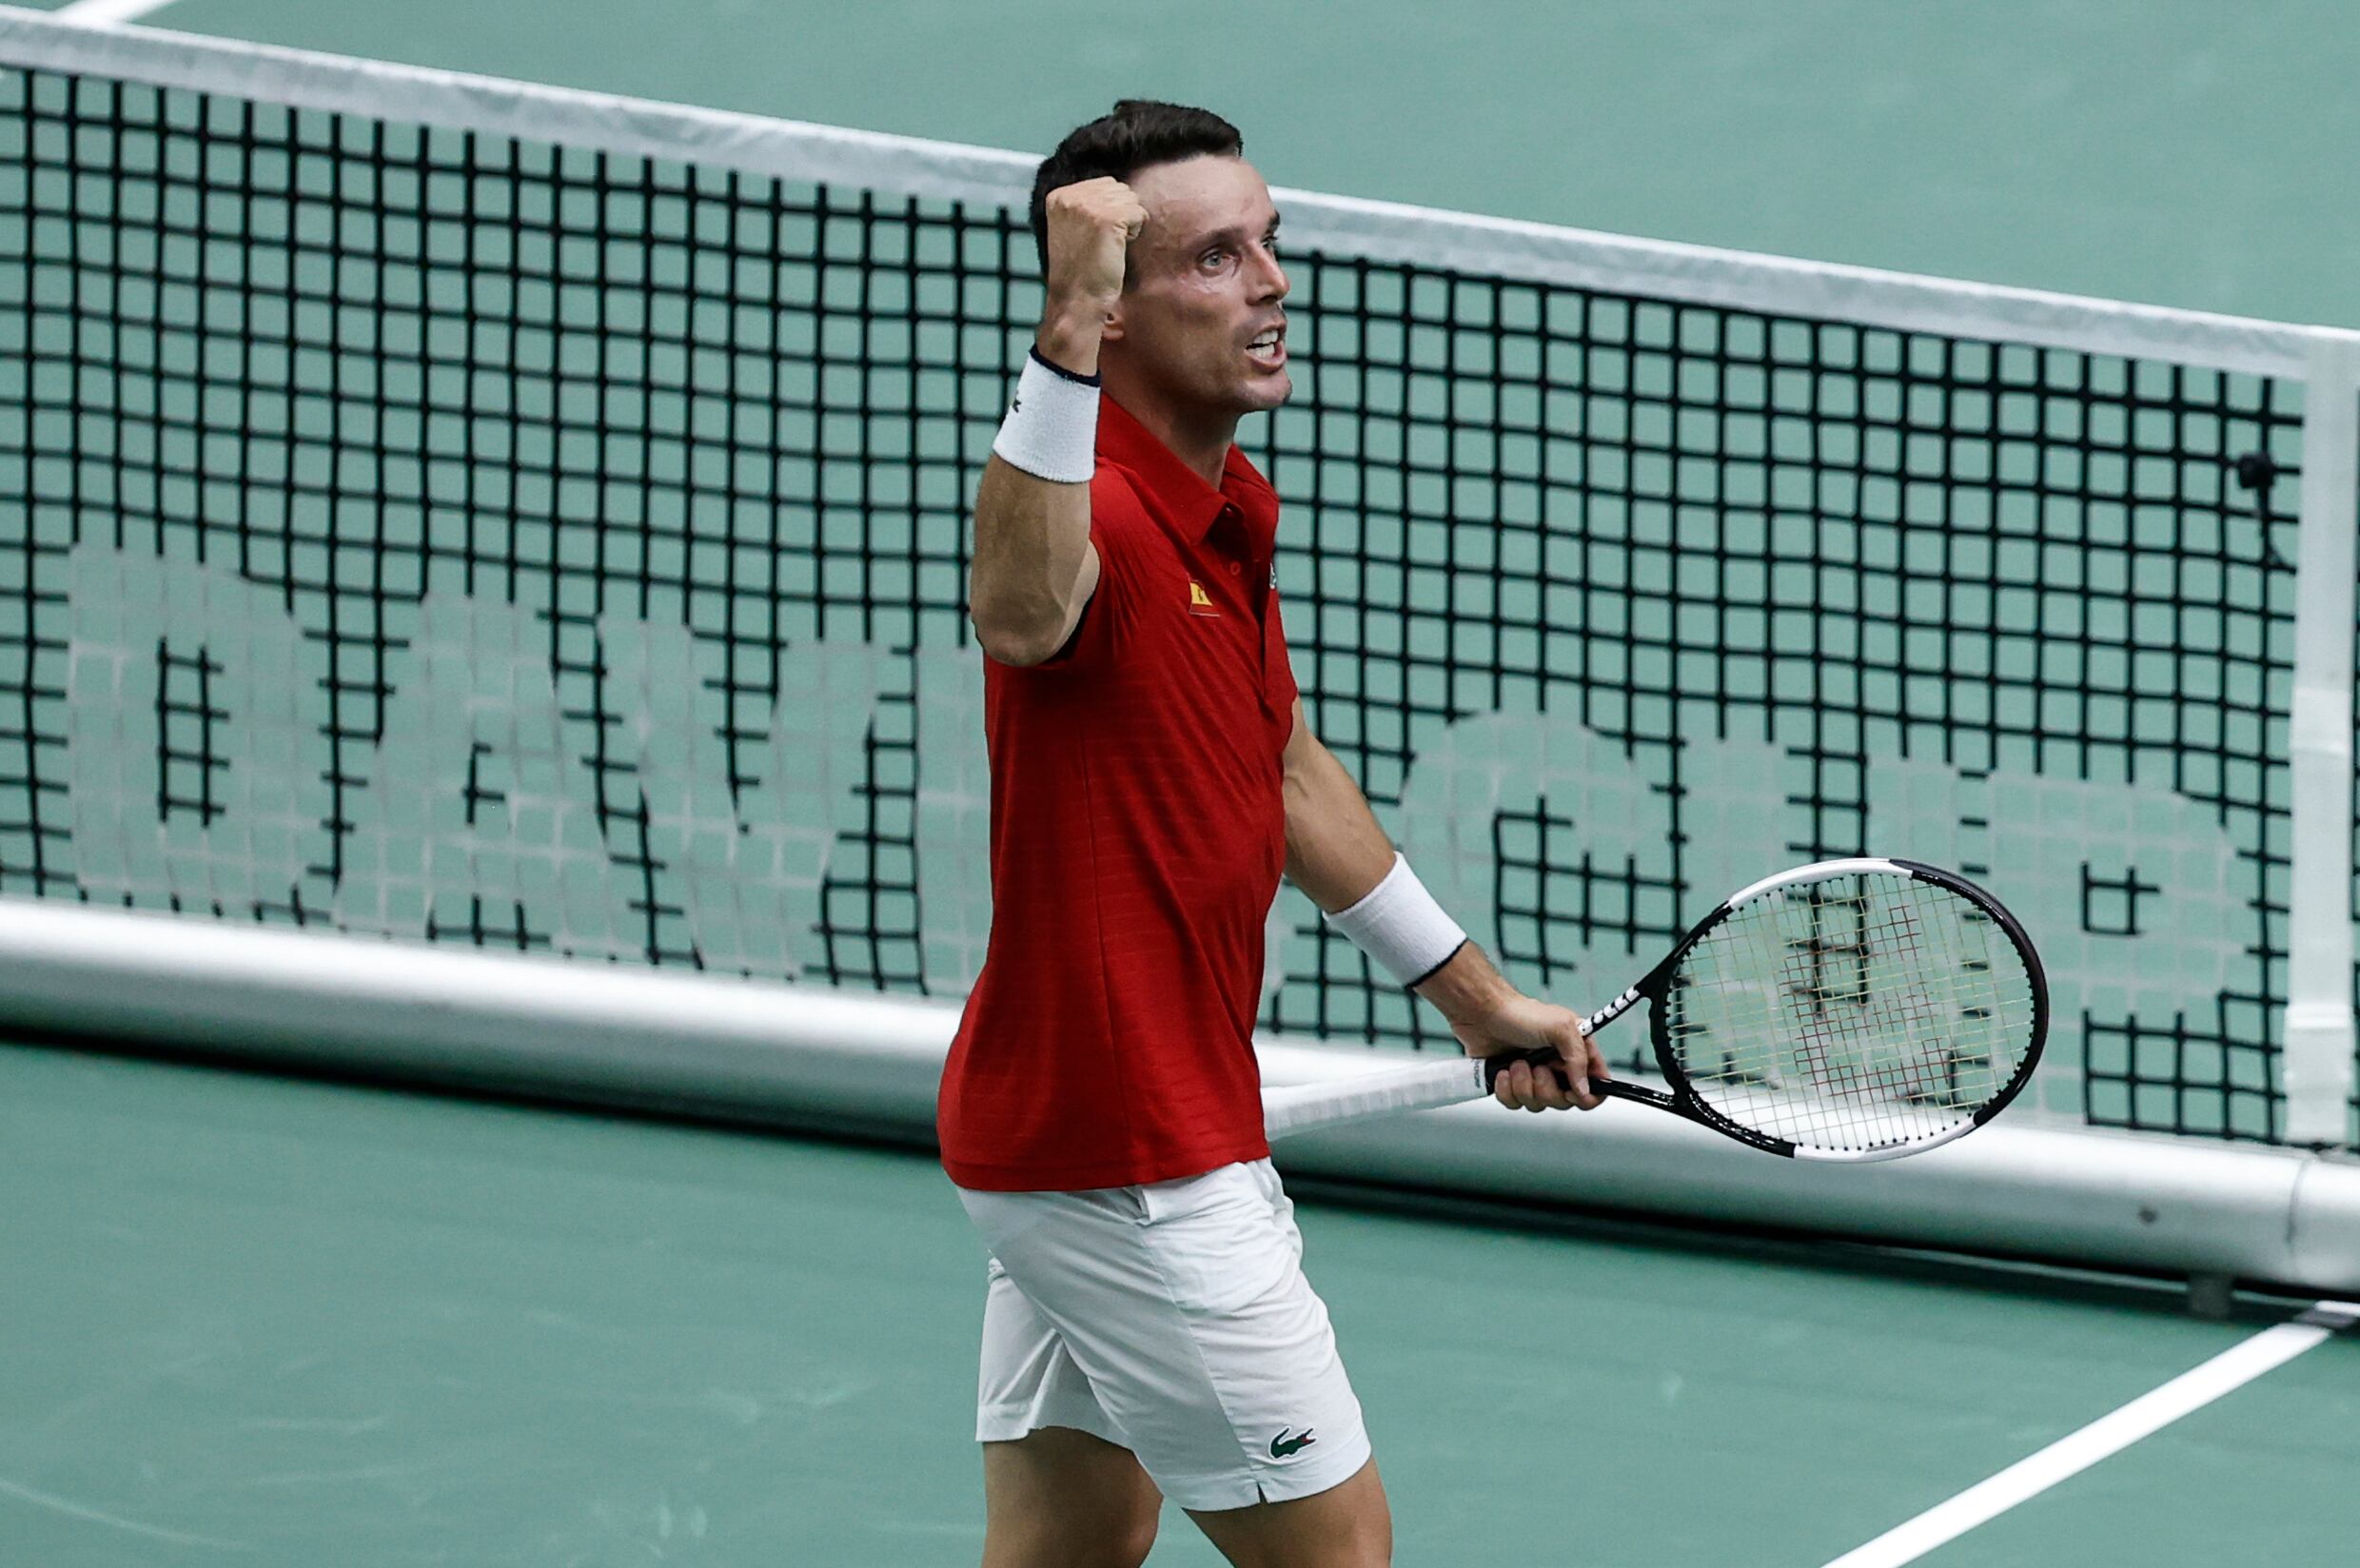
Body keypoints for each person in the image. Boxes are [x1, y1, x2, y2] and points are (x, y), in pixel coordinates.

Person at [938, 100, 1608, 1568]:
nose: (1272, 283)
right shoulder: (1096, 513)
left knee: (1068, 1548)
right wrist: (1062, 325)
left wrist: (1475, 997)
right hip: (1137, 1151)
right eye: (1216, 259)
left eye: (1272, 245)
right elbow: (1014, 610)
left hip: (1095, 1127)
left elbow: (1285, 774)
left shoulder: (1219, 506)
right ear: (1115, 313)